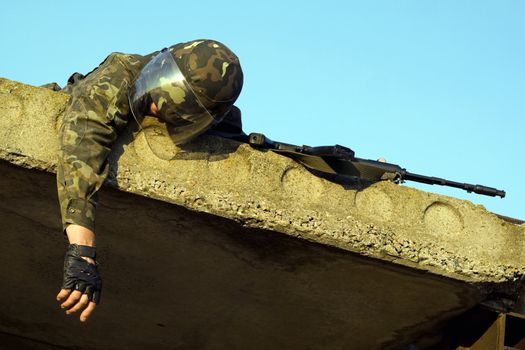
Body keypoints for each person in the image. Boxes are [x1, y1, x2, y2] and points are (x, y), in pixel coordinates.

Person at [55, 39, 244, 322]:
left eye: (175, 105)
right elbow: (83, 143)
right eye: (163, 87)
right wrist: (82, 251)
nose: (156, 104)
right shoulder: (120, 74)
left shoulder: (214, 114)